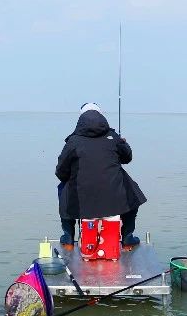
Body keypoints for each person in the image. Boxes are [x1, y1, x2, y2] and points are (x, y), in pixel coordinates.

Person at [55, 102, 147, 248]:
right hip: (114, 195)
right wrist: (123, 143)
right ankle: (127, 237)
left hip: (81, 197)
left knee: (63, 188)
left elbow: (60, 172)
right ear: (101, 116)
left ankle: (68, 238)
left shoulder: (73, 141)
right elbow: (127, 158)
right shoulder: (113, 136)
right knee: (132, 191)